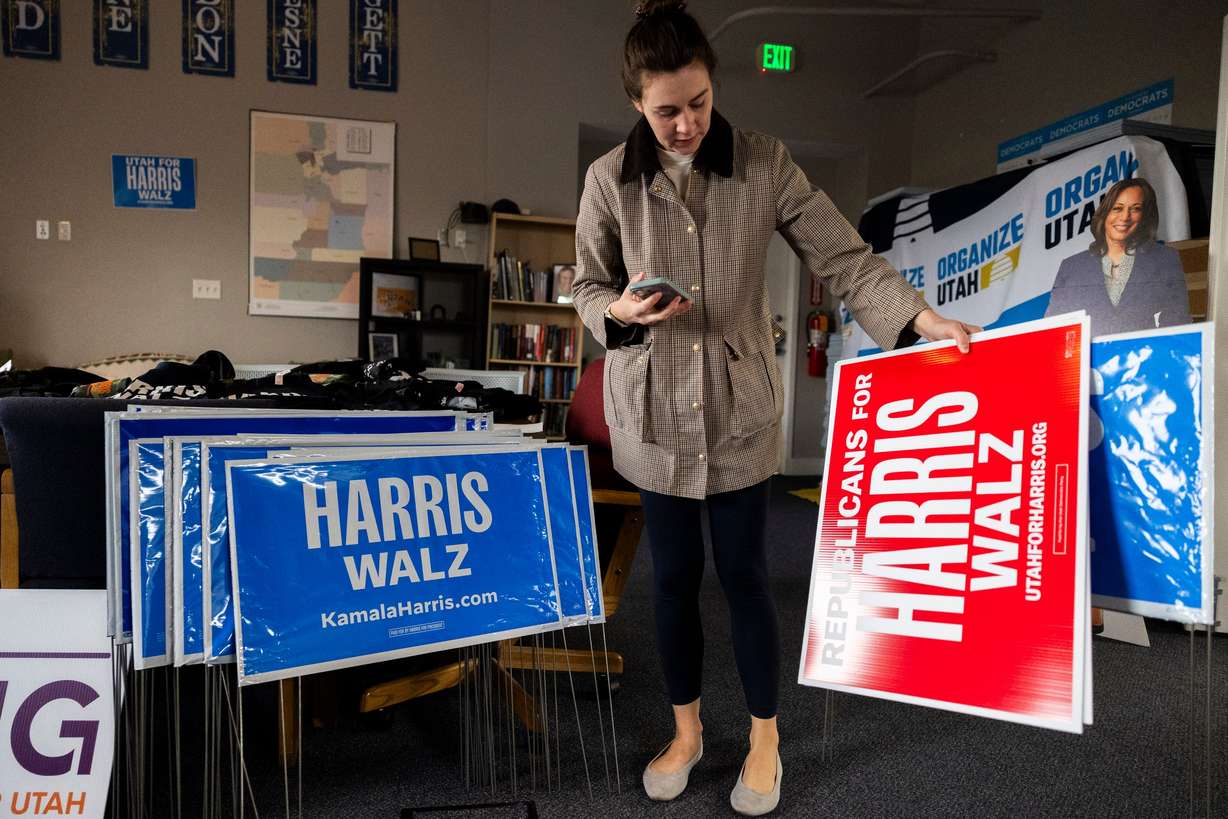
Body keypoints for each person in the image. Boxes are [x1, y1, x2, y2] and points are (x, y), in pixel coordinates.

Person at [571, 2, 977, 814]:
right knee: (673, 581)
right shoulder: (608, 180)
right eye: (666, 110)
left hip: (738, 410)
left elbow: (846, 257)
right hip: (652, 415)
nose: (685, 124)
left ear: (714, 89)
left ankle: (765, 736)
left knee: (748, 576)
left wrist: (918, 317)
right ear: (636, 106)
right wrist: (617, 312)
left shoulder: (764, 164)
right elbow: (584, 284)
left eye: (698, 103)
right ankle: (687, 733)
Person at [1045, 177, 1191, 335]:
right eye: (1117, 208)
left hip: (1141, 356)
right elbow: (1054, 327)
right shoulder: (1072, 266)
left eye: (1135, 209)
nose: (1124, 217)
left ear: (1145, 216)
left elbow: (1178, 322)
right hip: (1089, 357)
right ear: (1104, 213)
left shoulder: (1165, 259)